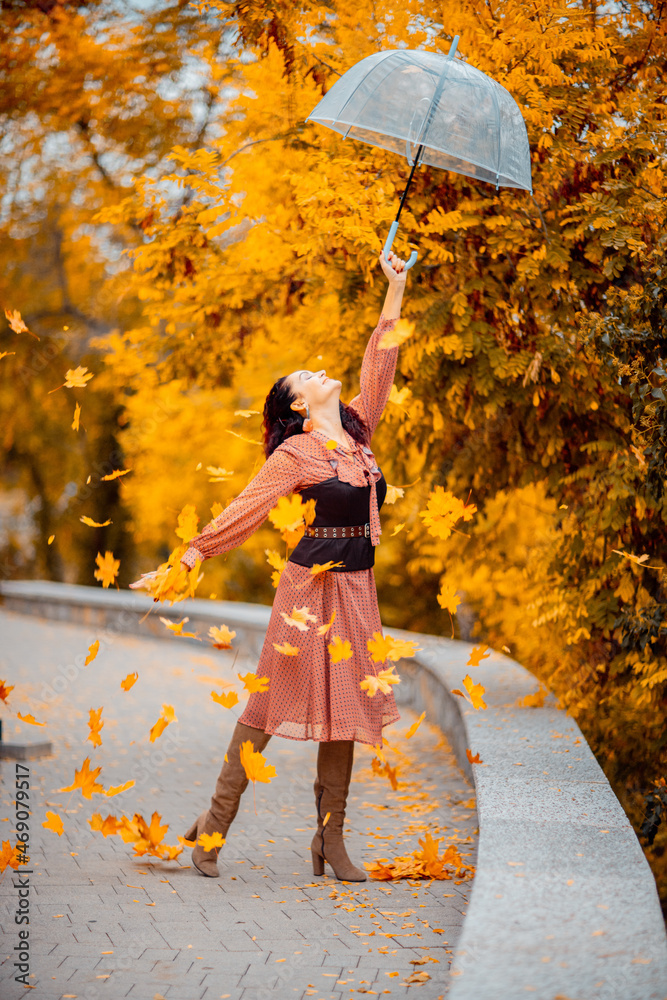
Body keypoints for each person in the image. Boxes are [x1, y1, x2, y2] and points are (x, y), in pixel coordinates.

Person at [130, 249, 408, 881]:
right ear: (298, 406)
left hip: (358, 588)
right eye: (303, 375)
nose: (317, 370)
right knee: (269, 704)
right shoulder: (295, 454)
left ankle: (329, 842)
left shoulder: (359, 435)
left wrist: (395, 287)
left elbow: (382, 363)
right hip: (307, 590)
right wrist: (194, 551)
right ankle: (216, 825)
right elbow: (247, 508)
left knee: (348, 707)